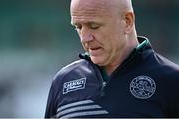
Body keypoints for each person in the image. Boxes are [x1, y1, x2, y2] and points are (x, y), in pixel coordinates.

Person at [45, 0, 179, 118]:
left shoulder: (171, 81)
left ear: (127, 21)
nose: (85, 38)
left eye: (94, 26)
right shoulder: (63, 81)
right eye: (78, 27)